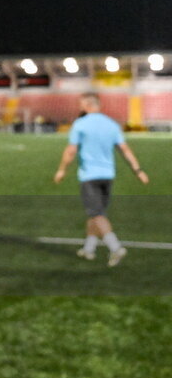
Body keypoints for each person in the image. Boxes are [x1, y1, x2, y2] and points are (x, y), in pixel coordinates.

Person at [53, 92, 148, 266]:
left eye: (81, 104)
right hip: (107, 176)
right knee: (96, 213)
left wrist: (61, 170)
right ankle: (89, 249)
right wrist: (138, 170)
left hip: (89, 176)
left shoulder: (80, 124)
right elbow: (125, 149)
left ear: (87, 105)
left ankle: (115, 248)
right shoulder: (111, 124)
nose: (79, 107)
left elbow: (71, 151)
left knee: (96, 214)